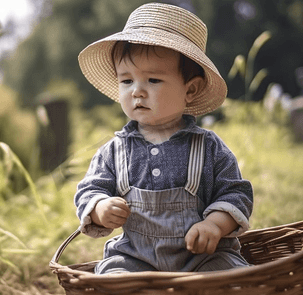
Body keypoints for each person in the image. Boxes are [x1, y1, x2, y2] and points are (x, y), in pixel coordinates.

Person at [74, 2, 253, 274]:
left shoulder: (208, 147)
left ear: (190, 90)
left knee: (231, 274)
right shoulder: (114, 151)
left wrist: (215, 224)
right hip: (135, 258)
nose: (137, 91)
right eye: (126, 81)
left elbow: (235, 193)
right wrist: (100, 207)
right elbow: (90, 189)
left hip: (203, 258)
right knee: (112, 277)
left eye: (153, 80)